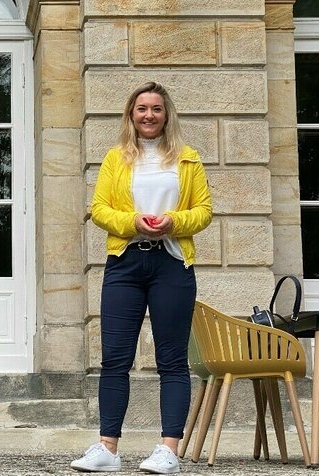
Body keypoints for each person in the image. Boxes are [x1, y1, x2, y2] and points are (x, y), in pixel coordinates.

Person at [71, 82, 212, 474]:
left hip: (172, 264)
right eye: (141, 109)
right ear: (130, 115)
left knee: (171, 360)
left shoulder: (188, 158)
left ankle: (168, 450)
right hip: (125, 264)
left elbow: (203, 211)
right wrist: (133, 221)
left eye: (156, 109)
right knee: (115, 359)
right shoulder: (116, 158)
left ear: (167, 115)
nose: (148, 115)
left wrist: (173, 222)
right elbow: (98, 209)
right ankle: (107, 448)